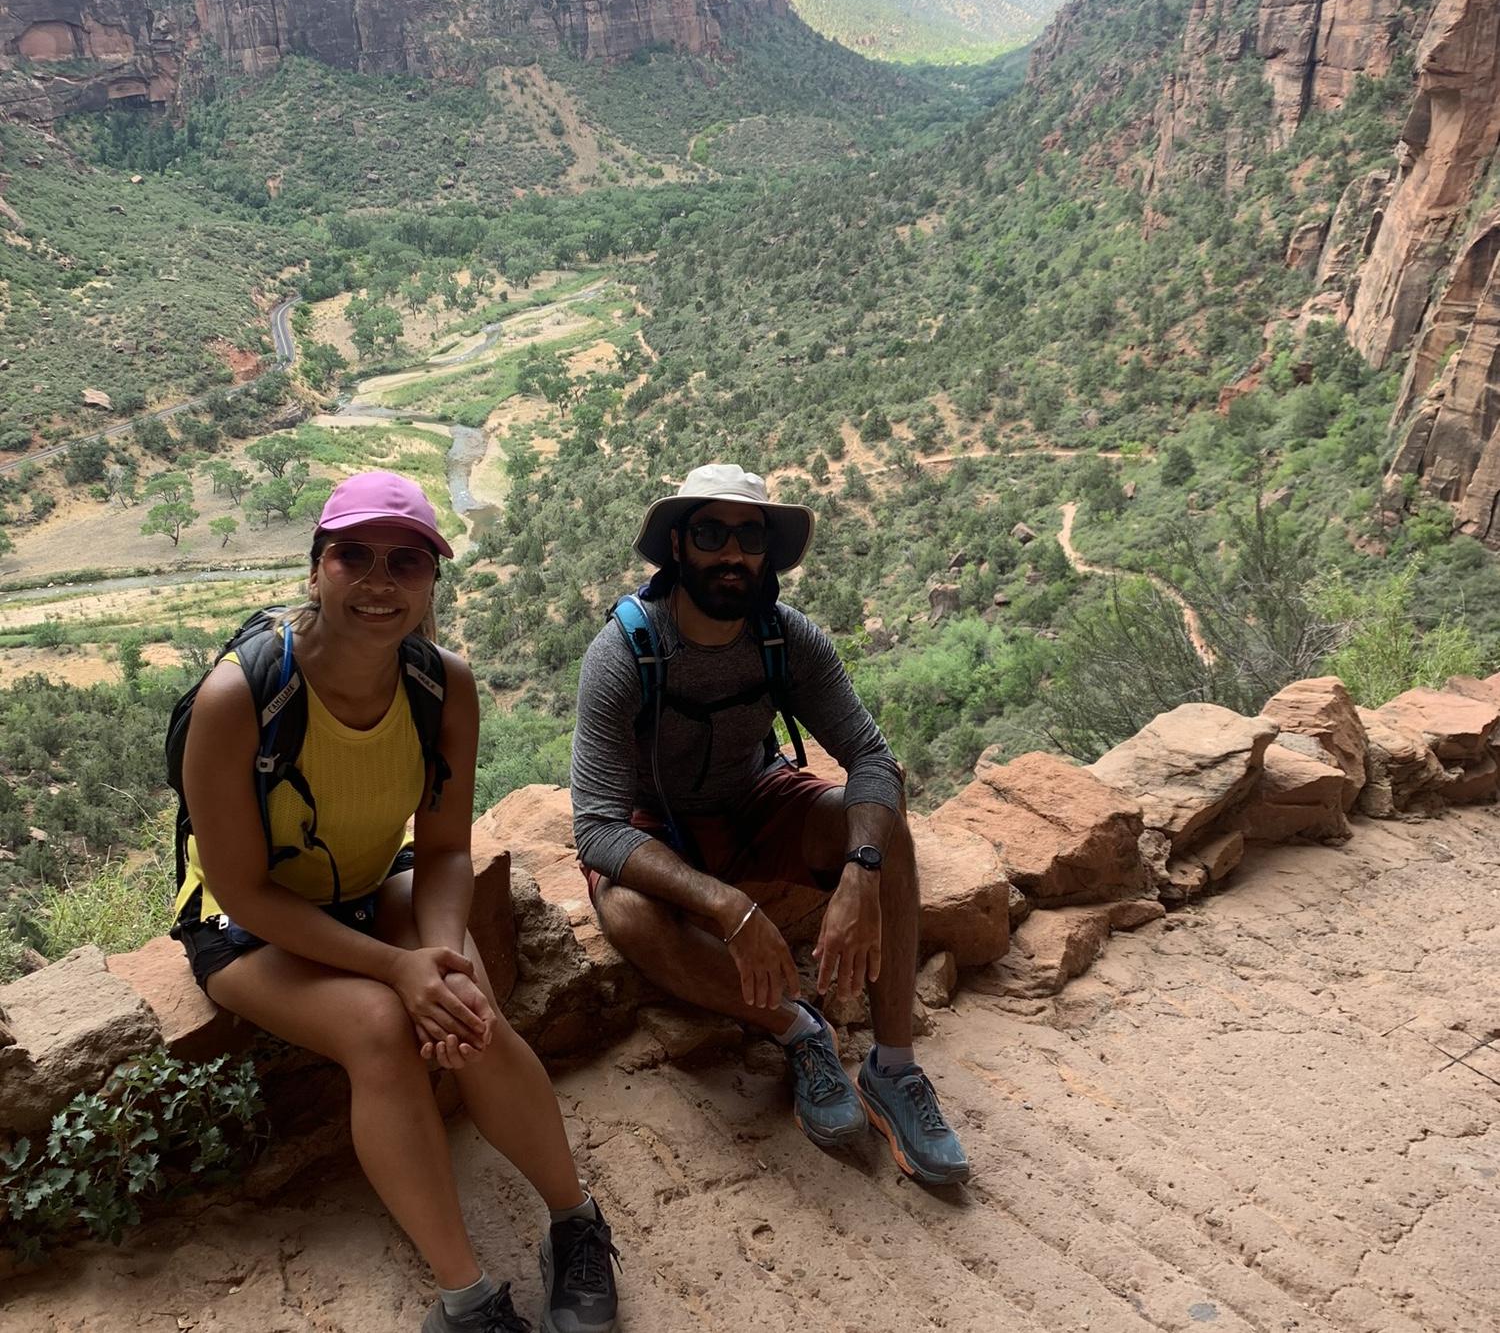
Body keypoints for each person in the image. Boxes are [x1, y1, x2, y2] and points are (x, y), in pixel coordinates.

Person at [171, 470, 620, 1333]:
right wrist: (395, 970)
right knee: (380, 1027)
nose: (380, 582)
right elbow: (242, 891)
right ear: (317, 570)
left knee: (469, 1001)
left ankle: (576, 1222)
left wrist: (438, 959)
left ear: (431, 584)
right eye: (355, 557)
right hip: (248, 926)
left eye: (406, 563)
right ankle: (469, 1302)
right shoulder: (239, 698)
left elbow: (446, 846)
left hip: (378, 882)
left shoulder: (442, 685)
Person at [571, 463, 970, 1186]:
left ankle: (893, 1067)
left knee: (887, 831)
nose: (731, 553)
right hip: (655, 826)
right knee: (626, 911)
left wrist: (862, 872)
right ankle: (797, 1027)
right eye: (711, 533)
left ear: (767, 551)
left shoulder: (786, 639)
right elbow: (597, 829)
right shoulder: (625, 653)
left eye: (748, 534)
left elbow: (875, 761)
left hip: (756, 801)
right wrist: (729, 906)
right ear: (679, 548)